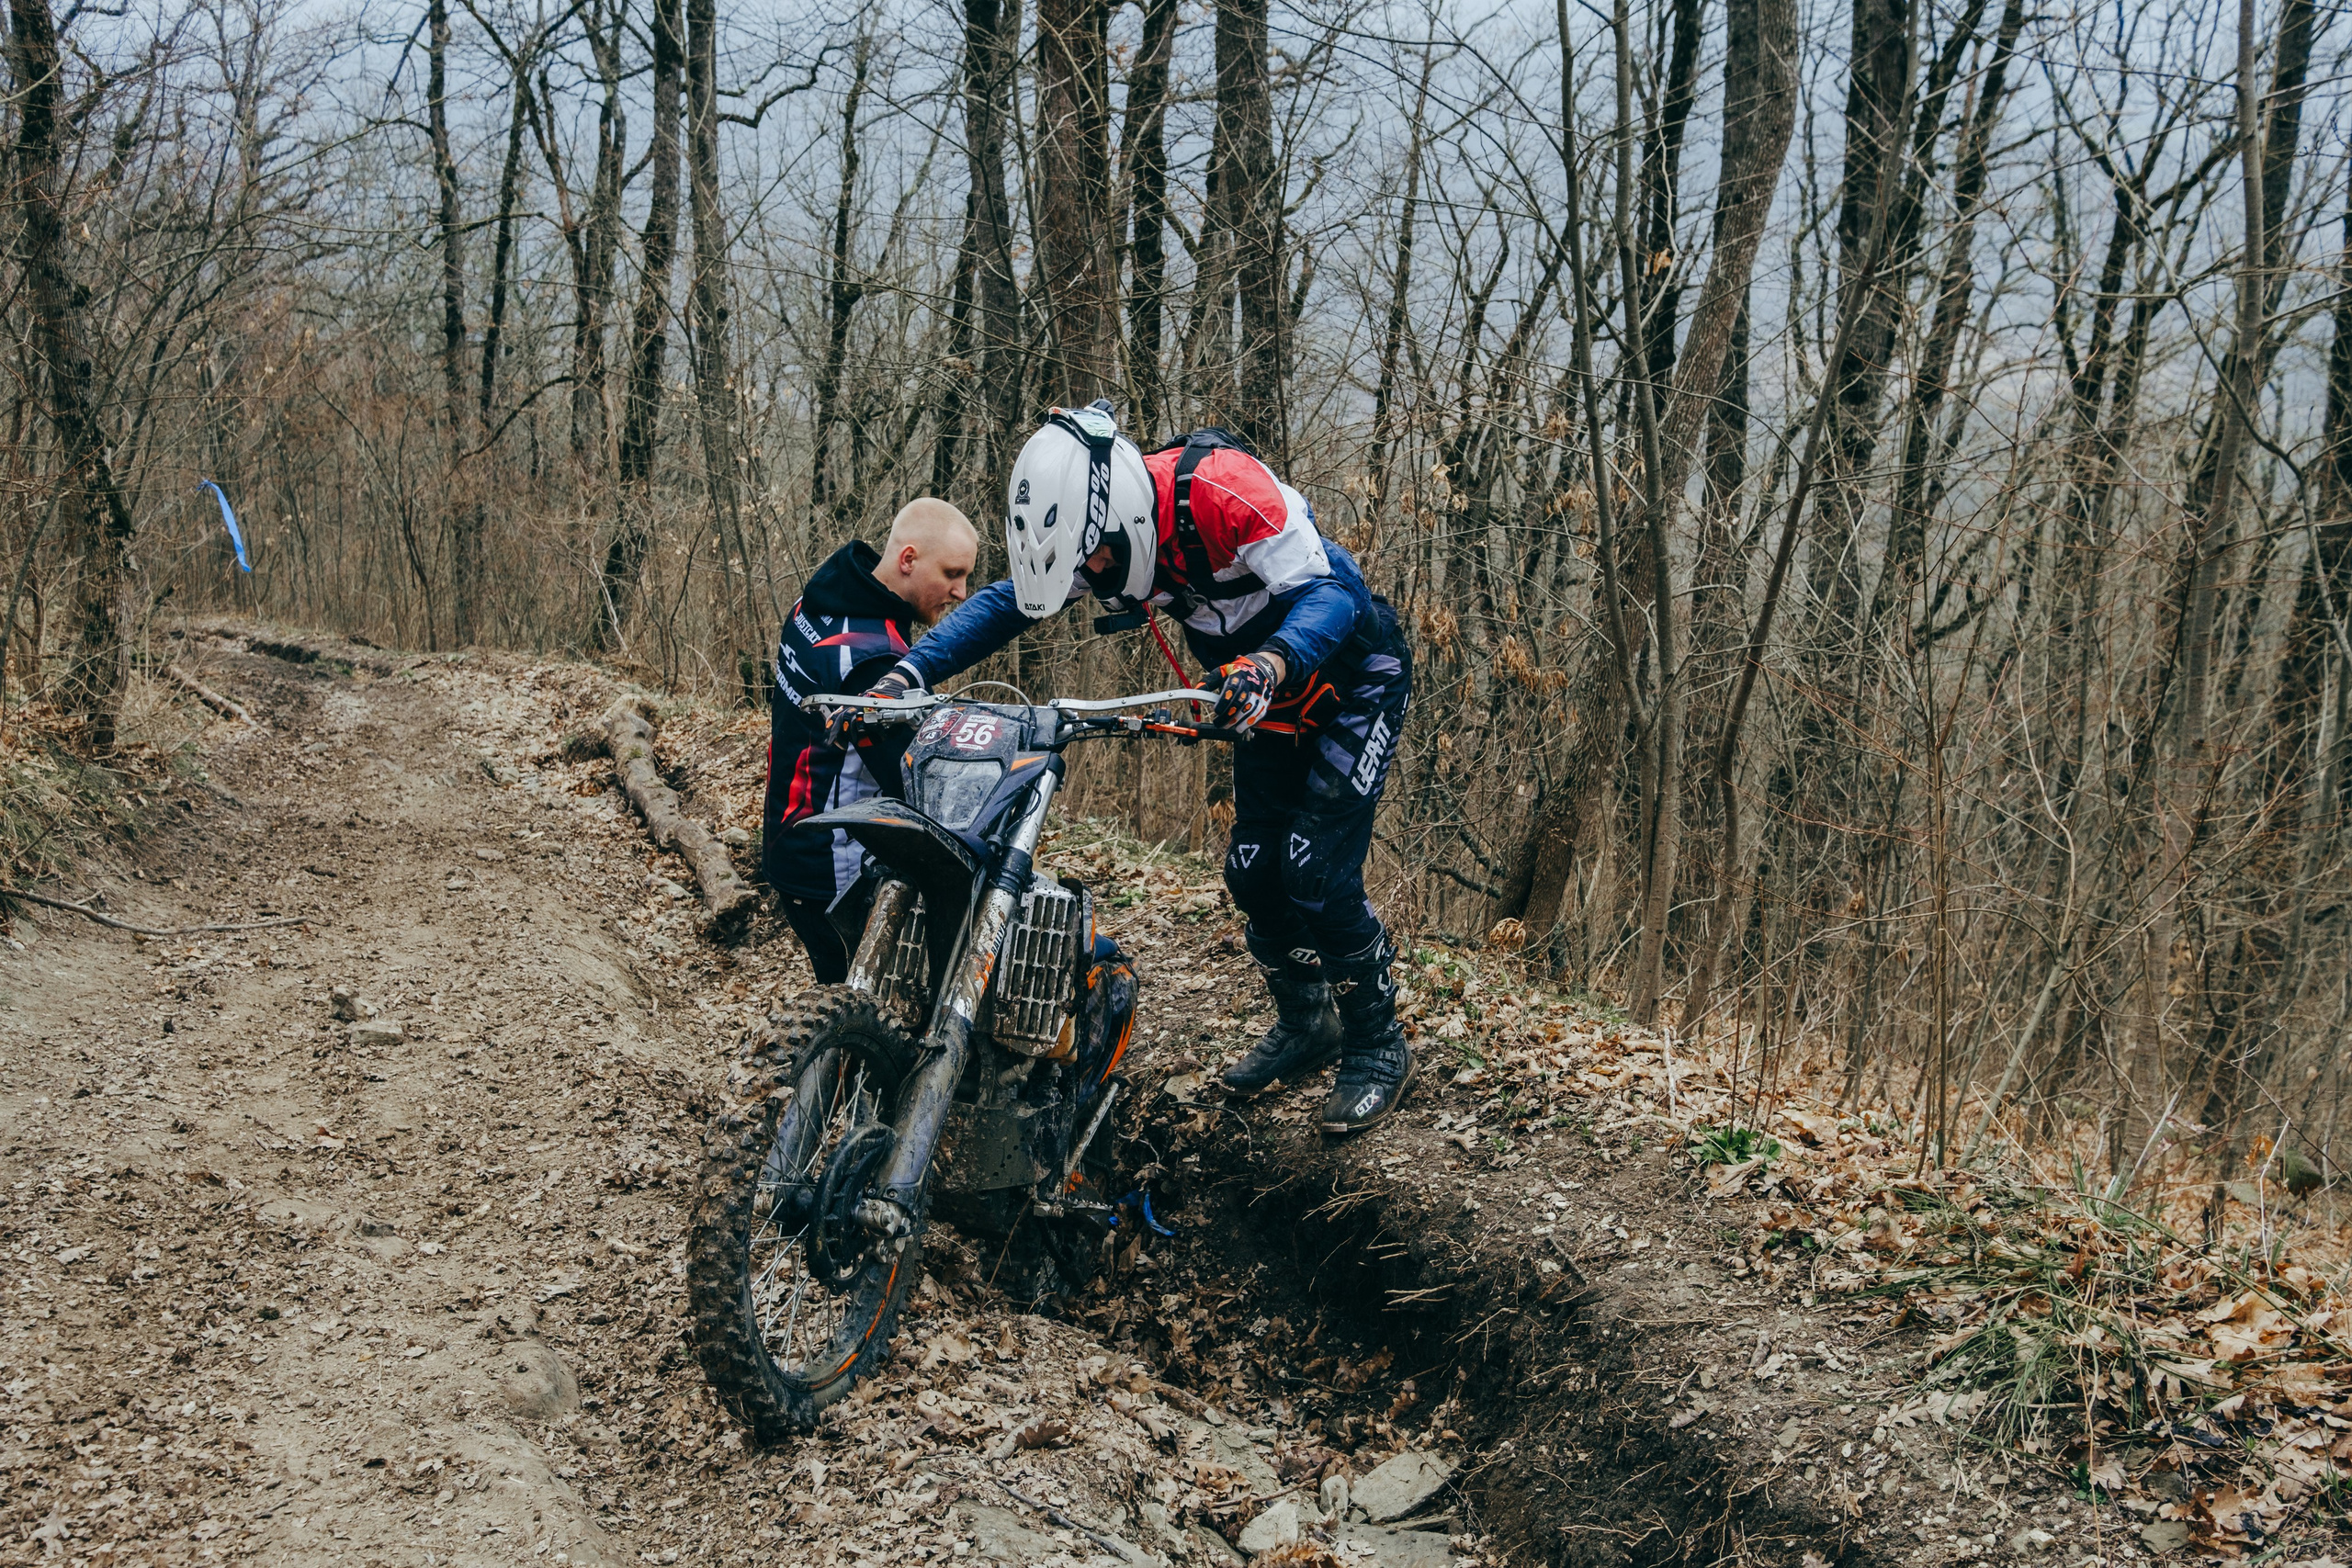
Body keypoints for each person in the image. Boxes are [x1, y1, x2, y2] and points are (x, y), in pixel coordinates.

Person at [865, 402, 1415, 1134]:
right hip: (1265, 705)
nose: (1092, 577)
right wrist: (907, 676)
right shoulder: (1099, 537)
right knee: (1252, 870)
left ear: (1123, 523)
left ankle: (1378, 1044)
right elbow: (1008, 605)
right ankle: (1308, 1020)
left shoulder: (1223, 491)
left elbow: (1333, 594)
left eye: (1094, 562)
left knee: (1315, 869)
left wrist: (1269, 661)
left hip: (1354, 682)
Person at [763, 499, 978, 983]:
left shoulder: (821, 602)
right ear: (908, 560)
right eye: (952, 573)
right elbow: (915, 776)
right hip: (831, 865)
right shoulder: (875, 660)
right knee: (857, 1012)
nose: (961, 592)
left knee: (841, 1002)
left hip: (789, 839)